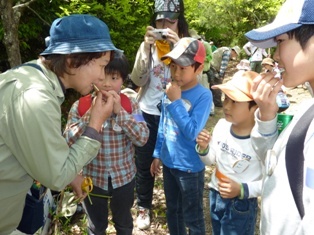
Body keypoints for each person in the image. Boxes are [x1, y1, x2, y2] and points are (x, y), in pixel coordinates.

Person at [0, 14, 120, 234]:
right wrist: (95, 125)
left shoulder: (31, 77)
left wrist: (73, 175)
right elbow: (57, 176)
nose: (103, 77)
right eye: (102, 65)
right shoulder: (35, 98)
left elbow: (35, 149)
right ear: (73, 61)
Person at [245, 0, 314, 234]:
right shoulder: (308, 107)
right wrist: (266, 115)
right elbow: (275, 165)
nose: (275, 55)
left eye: (281, 41)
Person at [63, 51, 149, 235]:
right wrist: (91, 117)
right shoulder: (81, 106)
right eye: (102, 77)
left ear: (123, 80)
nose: (107, 83)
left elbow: (143, 137)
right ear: (94, 78)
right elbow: (66, 141)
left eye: (115, 77)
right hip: (93, 179)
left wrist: (121, 114)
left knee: (124, 222)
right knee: (96, 225)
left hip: (124, 178)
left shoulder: (131, 104)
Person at [130, 0, 190, 229]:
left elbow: (194, 75)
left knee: (176, 162)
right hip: (147, 110)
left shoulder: (189, 41)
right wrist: (145, 49)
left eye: (170, 21)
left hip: (175, 111)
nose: (164, 25)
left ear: (179, 20)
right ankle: (143, 205)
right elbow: (137, 80)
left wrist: (180, 47)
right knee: (144, 162)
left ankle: (177, 206)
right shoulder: (149, 45)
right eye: (159, 20)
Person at [150, 37, 212, 235]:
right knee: (173, 210)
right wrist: (158, 153)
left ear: (198, 68)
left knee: (192, 215)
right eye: (173, 66)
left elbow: (192, 131)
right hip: (169, 163)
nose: (176, 73)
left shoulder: (203, 95)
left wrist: (176, 101)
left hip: (190, 168)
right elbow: (163, 124)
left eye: (183, 68)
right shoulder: (169, 91)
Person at [195, 70, 262, 235]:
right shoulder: (222, 126)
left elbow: (270, 182)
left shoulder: (261, 141)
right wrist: (204, 149)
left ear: (255, 106)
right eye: (226, 98)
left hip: (242, 204)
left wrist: (242, 189)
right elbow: (211, 160)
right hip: (215, 194)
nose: (226, 105)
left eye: (234, 101)